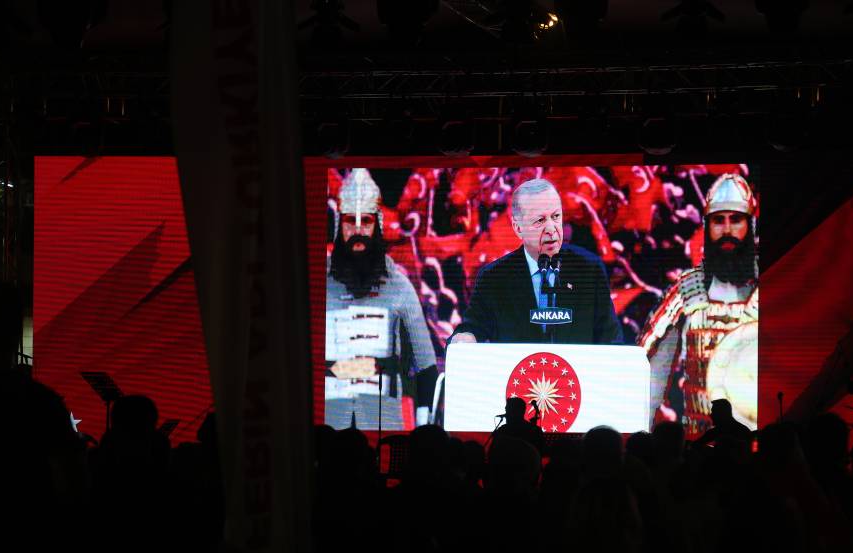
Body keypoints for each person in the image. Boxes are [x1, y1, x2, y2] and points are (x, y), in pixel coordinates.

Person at [639, 172, 759, 438]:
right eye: (718, 221)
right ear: (707, 227)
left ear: (750, 226)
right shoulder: (685, 291)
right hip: (696, 444)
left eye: (736, 220)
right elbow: (650, 373)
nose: (727, 230)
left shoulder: (772, 291)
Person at [325, 168, 438, 430]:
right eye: (349, 222)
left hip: (382, 422)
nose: (357, 230)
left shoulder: (399, 285)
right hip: (326, 424)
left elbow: (426, 364)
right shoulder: (319, 284)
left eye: (365, 221)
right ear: (338, 225)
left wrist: (424, 426)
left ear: (378, 225)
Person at [449, 178, 623, 345]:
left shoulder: (588, 270)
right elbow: (471, 329)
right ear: (518, 228)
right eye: (540, 220)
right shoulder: (494, 278)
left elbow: (612, 340)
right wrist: (466, 337)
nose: (551, 229)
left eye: (556, 217)